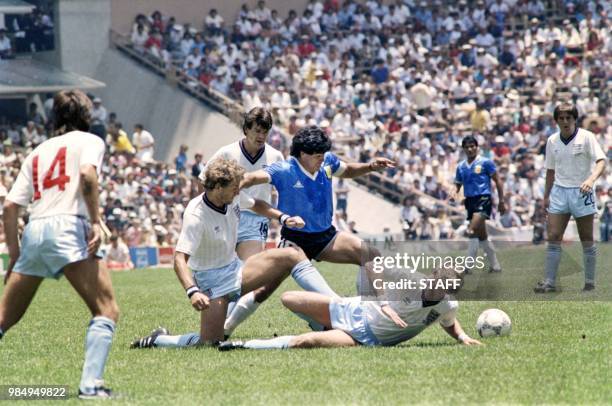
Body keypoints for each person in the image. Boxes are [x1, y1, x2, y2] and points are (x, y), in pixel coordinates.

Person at [130, 158, 326, 348]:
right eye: (234, 187)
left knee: (292, 255)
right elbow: (179, 259)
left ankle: (334, 308)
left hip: (236, 269)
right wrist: (193, 292)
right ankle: (158, 340)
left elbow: (256, 204)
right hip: (211, 282)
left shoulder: (233, 194)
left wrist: (283, 217)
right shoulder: (196, 215)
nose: (238, 190)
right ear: (217, 188)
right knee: (209, 343)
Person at [0, 90, 119, 399]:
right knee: (106, 310)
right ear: (86, 116)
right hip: (68, 225)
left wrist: (14, 254)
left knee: (3, 319)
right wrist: (95, 221)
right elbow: (86, 176)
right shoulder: (90, 141)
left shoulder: (37, 151)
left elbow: (11, 207)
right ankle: (91, 387)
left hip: (35, 229)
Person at [241, 126, 395, 298]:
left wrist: (370, 166)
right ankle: (227, 324)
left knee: (371, 255)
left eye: (323, 155)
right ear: (302, 154)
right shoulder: (284, 169)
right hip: (294, 240)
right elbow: (253, 177)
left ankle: (379, 306)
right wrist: (238, 183)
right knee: (264, 291)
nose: (322, 159)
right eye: (318, 156)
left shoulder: (327, 161)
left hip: (326, 237)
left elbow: (348, 170)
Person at [218, 268, 482, 350]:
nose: (443, 285)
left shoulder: (449, 304)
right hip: (351, 308)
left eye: (451, 283)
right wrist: (386, 305)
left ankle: (241, 345)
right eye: (442, 278)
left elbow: (448, 321)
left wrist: (462, 337)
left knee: (306, 342)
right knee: (288, 298)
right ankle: (325, 323)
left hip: (364, 336)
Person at [197, 108, 290, 337]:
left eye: (265, 132)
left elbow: (285, 188)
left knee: (248, 277)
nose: (261, 136)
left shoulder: (275, 156)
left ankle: (225, 327)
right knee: (224, 277)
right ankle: (217, 327)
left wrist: (284, 215)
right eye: (257, 130)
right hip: (227, 216)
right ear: (246, 129)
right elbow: (204, 181)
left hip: (255, 220)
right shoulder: (226, 152)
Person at [534, 103, 606, 292]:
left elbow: (601, 161)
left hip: (582, 192)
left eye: (569, 117)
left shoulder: (587, 137)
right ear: (556, 120)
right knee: (554, 236)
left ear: (575, 119)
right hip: (559, 192)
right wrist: (546, 196)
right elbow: (550, 170)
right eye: (561, 118)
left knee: (586, 238)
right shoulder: (551, 141)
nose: (565, 121)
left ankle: (589, 282)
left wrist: (591, 180)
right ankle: (549, 282)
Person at [453, 135, 505, 273]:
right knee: (482, 236)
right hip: (470, 202)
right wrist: (454, 193)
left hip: (484, 199)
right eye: (467, 147)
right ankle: (495, 265)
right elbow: (457, 184)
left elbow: (498, 181)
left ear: (477, 147)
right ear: (463, 149)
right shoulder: (461, 167)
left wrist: (502, 201)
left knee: (471, 230)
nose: (470, 149)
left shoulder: (486, 163)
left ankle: (467, 266)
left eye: (472, 146)